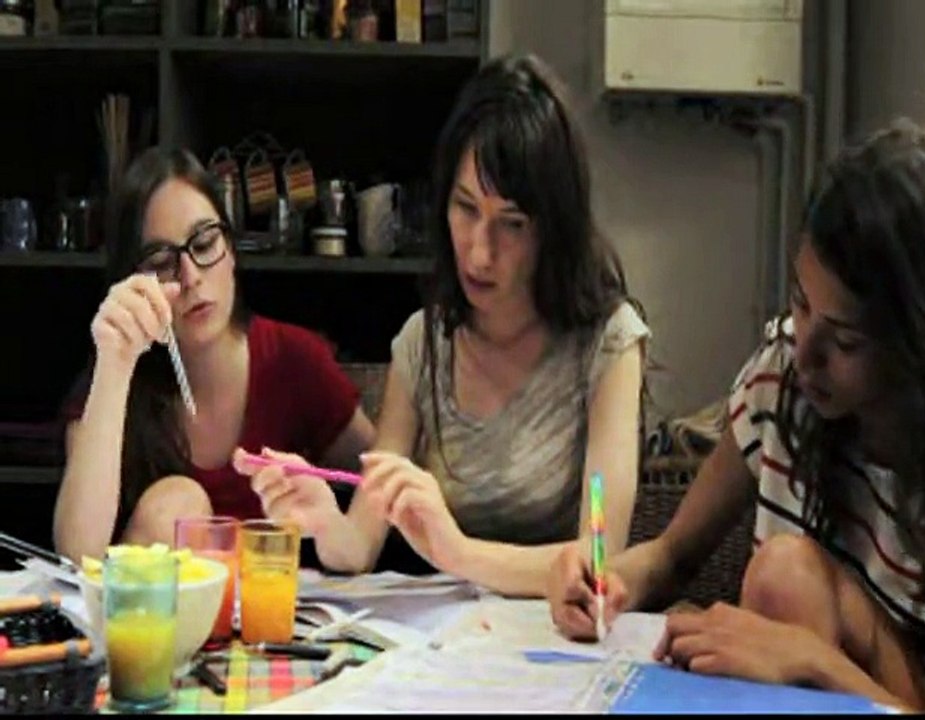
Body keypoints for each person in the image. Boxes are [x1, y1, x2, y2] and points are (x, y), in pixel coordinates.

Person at [546, 119, 925, 712]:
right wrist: (607, 581)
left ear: (915, 341)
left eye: (845, 341)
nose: (805, 355)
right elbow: (673, 555)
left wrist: (813, 661)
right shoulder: (780, 380)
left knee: (786, 574)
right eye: (800, 304)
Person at [234, 53, 649, 597]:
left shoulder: (609, 342)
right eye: (465, 208)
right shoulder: (423, 343)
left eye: (512, 224)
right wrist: (320, 517)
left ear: (553, 228)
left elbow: (600, 556)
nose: (479, 252)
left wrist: (456, 552)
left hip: (558, 632)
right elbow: (359, 545)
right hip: (449, 633)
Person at [53, 147, 375, 563]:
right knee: (175, 502)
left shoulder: (293, 359)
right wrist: (114, 364)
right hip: (155, 604)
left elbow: (378, 477)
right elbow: (77, 553)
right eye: (161, 262)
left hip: (273, 599)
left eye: (205, 243)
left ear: (232, 248)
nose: (191, 277)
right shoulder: (115, 374)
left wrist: (339, 532)